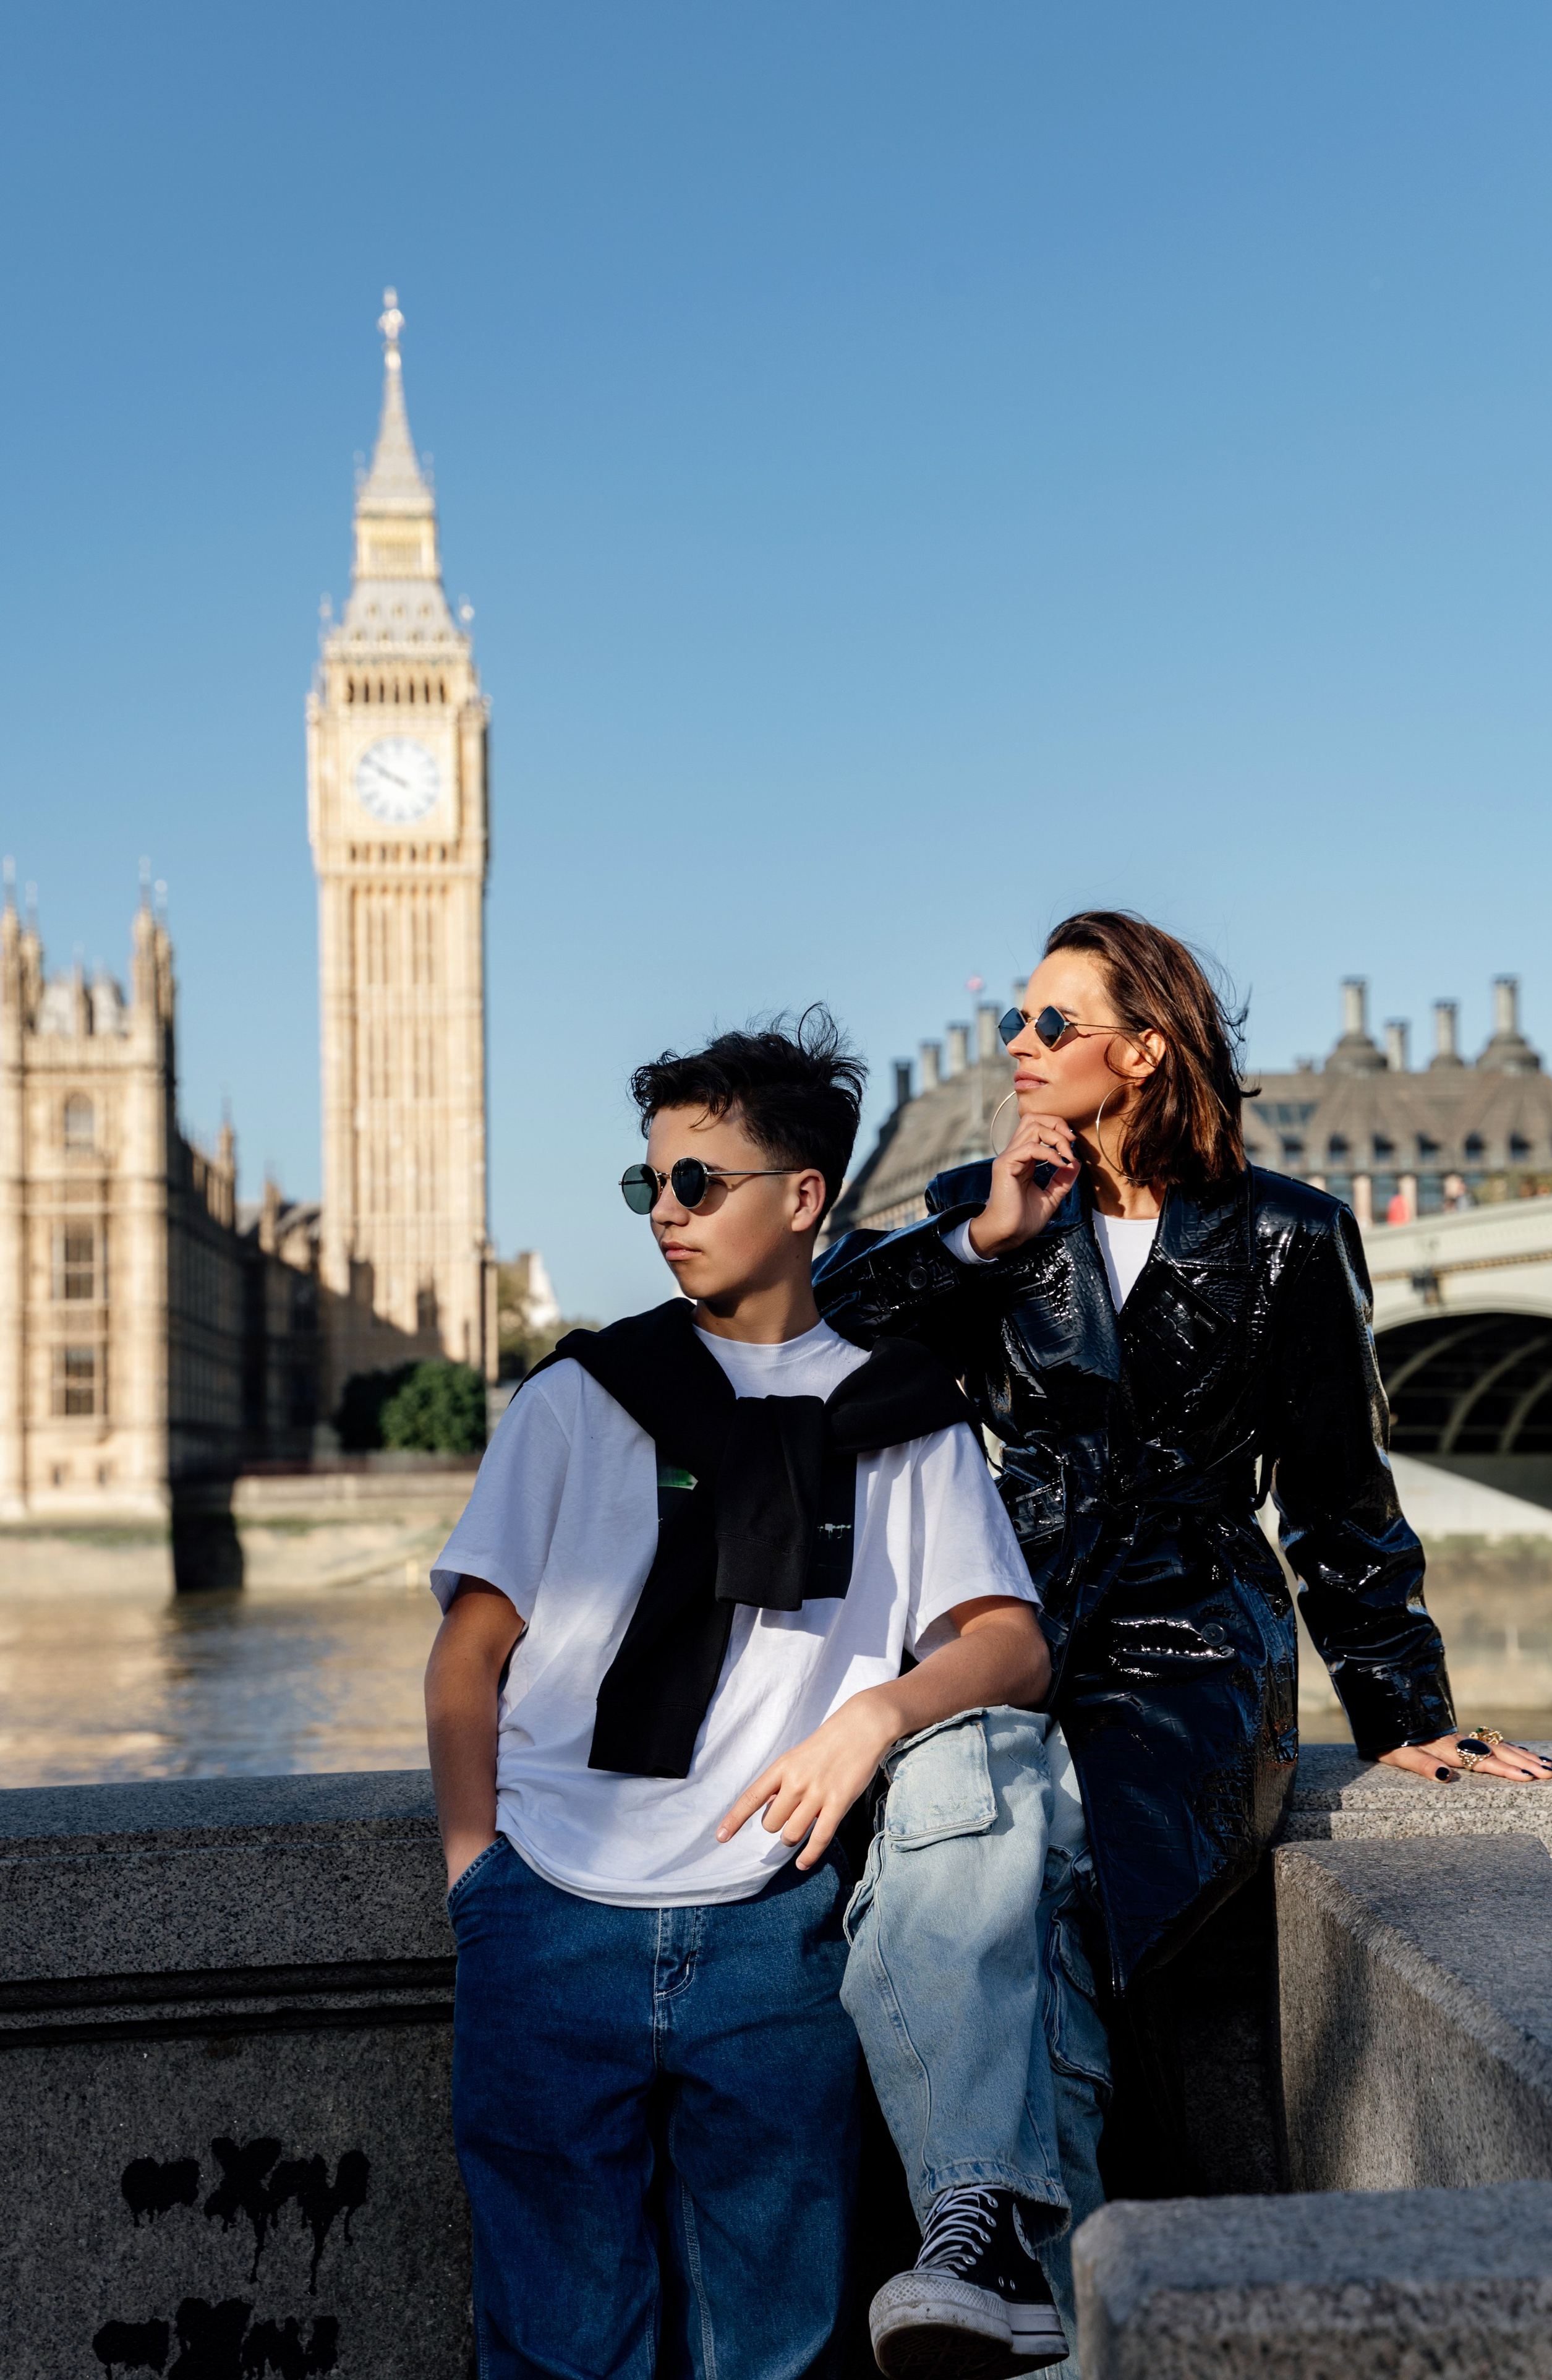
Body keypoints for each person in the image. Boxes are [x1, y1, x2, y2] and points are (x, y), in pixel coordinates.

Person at [816, 910, 1552, 2379]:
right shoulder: (987, 1212)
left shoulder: (1286, 1234)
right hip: (1003, 1624)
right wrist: (975, 1241)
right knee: (970, 1824)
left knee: (1056, 1861)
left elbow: (1340, 1495)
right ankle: (1040, 2282)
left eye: (1046, 1023)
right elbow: (815, 1358)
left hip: (1184, 1645)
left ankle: (995, 2253)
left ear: (1139, 1048)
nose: (1013, 1048)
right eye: (1014, 1024)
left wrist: (1406, 1706)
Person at [424, 1014, 1054, 2380]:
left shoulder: (901, 1417)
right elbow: (470, 1649)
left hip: (771, 1929)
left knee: (773, 2345)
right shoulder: (582, 1396)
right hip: (549, 1921)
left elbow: (1009, 1644)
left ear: (804, 1197)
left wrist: (870, 1717)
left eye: (697, 1181)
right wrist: (481, 1877)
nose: (665, 1211)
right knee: (553, 2345)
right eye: (647, 1183)